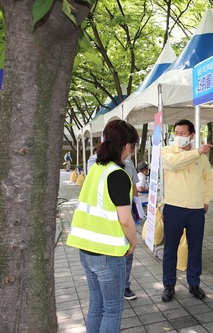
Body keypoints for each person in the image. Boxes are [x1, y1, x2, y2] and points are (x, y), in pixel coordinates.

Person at [66, 119, 139, 333]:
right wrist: (133, 242)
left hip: (86, 250)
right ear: (126, 146)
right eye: (133, 145)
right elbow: (125, 220)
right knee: (113, 309)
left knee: (96, 305)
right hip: (107, 253)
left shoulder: (96, 168)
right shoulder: (118, 175)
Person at [161, 119, 213, 302]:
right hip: (173, 207)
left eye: (182, 133)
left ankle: (194, 283)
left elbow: (210, 180)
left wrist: (206, 200)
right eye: (175, 133)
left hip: (196, 210)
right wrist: (196, 152)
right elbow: (174, 164)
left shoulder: (202, 158)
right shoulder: (168, 151)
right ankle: (169, 285)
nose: (178, 136)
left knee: (195, 248)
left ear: (192, 135)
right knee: (170, 249)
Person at [122, 158, 140, 301]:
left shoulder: (128, 163)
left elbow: (133, 186)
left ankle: (125, 286)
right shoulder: (96, 161)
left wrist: (137, 208)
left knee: (128, 254)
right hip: (109, 219)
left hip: (126, 213)